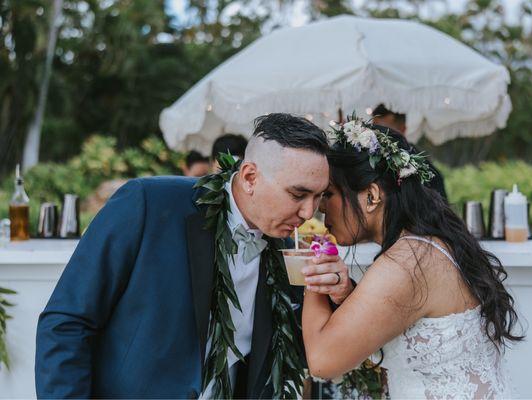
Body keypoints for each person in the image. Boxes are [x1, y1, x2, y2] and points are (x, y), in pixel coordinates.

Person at [35, 113, 341, 398]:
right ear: (249, 177)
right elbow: (67, 321)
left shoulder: (287, 250)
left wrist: (336, 291)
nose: (308, 212)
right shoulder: (149, 204)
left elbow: (301, 352)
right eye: (298, 195)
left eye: (318, 197)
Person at [301, 118, 522, 399]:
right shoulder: (427, 247)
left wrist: (312, 269)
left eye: (329, 194)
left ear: (371, 196)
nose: (319, 207)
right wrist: (346, 295)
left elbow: (322, 361)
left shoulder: (407, 263)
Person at [371, 104, 448, 200]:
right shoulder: (371, 159)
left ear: (403, 129)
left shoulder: (421, 166)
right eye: (374, 131)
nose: (377, 137)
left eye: (384, 132)